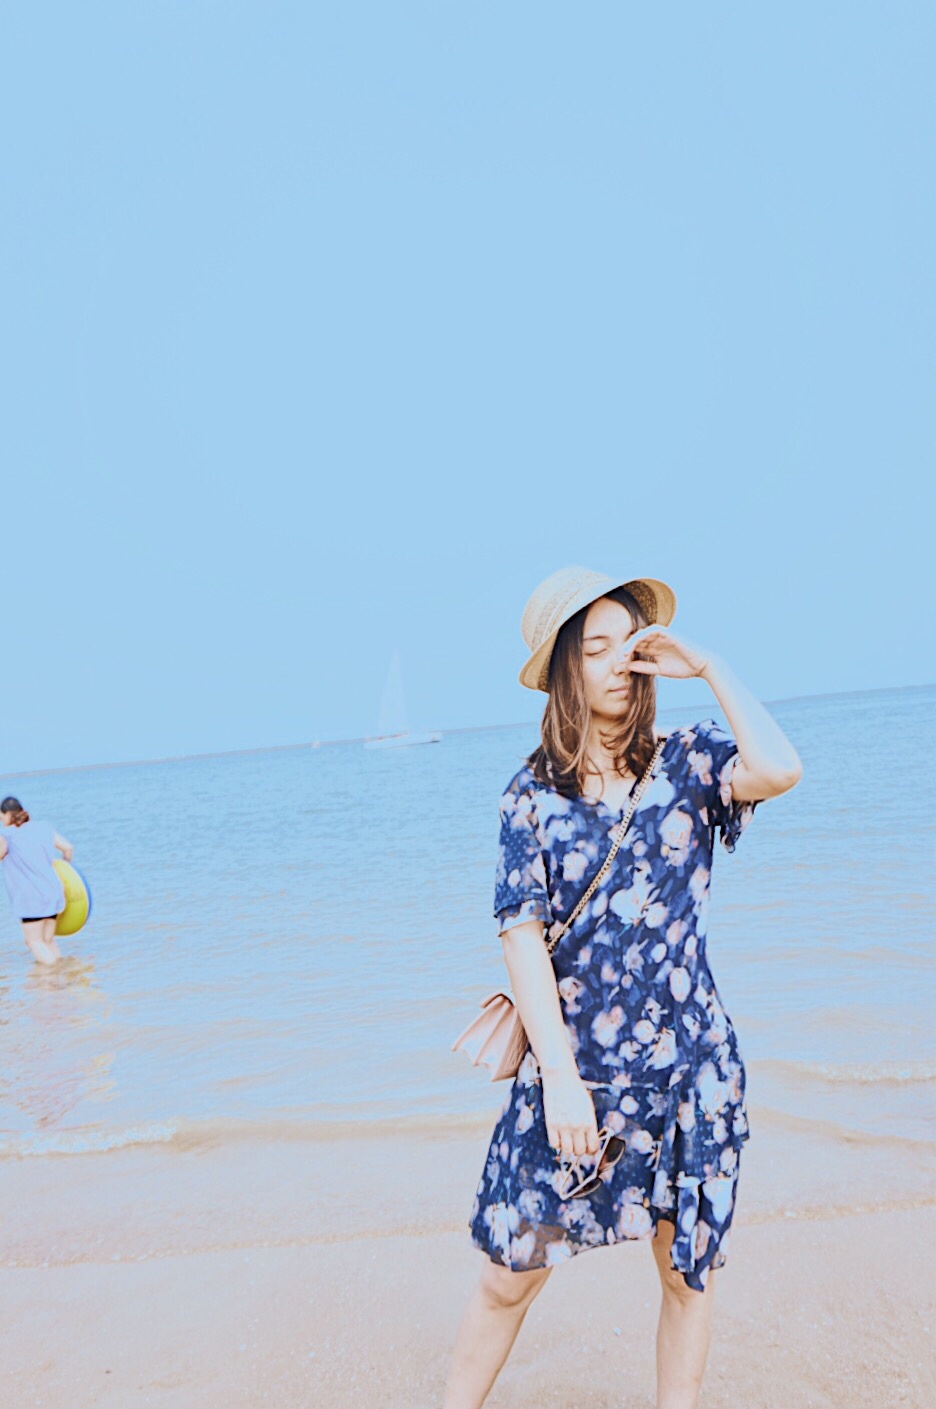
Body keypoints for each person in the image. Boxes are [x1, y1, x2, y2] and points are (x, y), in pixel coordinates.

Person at [443, 567, 803, 1409]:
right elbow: (521, 937)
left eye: (628, 644)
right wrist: (561, 1079)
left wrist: (709, 665)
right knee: (508, 1272)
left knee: (686, 1271)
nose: (617, 663)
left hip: (690, 1071)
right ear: (563, 670)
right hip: (578, 1077)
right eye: (594, 648)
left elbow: (781, 768)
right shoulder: (530, 797)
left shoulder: (690, 761)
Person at [0, 796, 74, 966]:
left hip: (31, 898)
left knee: (33, 941)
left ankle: (54, 973)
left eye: (1, 818)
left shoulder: (6, 835)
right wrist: (67, 872)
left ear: (7, 815)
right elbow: (68, 848)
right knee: (47, 941)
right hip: (53, 891)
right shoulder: (43, 827)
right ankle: (61, 977)